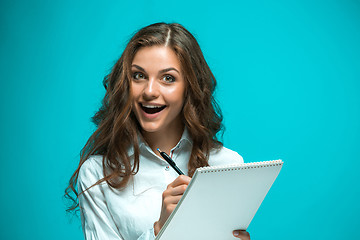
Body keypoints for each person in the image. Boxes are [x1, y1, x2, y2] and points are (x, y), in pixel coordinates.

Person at [65, 22, 250, 240]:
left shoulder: (228, 166)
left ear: (190, 87)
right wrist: (160, 230)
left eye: (168, 78)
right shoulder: (98, 173)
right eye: (138, 76)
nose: (150, 91)